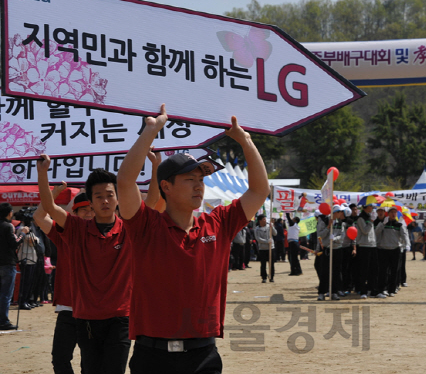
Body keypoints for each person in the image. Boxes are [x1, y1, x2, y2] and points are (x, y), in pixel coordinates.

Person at [116, 105, 269, 374]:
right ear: (166, 186)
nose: (200, 186)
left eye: (201, 179)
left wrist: (245, 140)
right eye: (190, 179)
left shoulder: (218, 223)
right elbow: (126, 183)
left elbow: (259, 189)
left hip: (203, 356)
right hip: (152, 356)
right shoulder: (146, 226)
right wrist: (151, 131)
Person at [38, 156, 135, 374]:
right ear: (90, 201)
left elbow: (154, 201)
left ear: (118, 198)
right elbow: (48, 208)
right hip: (86, 318)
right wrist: (42, 173)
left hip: (120, 317)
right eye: (98, 197)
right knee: (90, 369)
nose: (105, 201)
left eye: (110, 195)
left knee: (114, 370)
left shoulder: (130, 228)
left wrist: (155, 165)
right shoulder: (77, 229)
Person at [34, 185, 95, 374]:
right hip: (68, 309)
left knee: (90, 363)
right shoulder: (64, 235)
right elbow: (39, 217)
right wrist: (54, 194)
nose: (88, 213)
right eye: (84, 209)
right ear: (73, 213)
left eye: (92, 209)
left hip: (95, 312)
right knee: (60, 359)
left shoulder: (107, 236)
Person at [375, 206, 408, 298]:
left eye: (395, 212)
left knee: (394, 271)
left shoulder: (399, 224)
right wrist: (382, 224)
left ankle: (391, 290)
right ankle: (382, 289)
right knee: (383, 271)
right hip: (384, 250)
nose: (393, 214)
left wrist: (407, 244)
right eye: (391, 212)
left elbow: (404, 235)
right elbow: (376, 232)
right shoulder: (383, 223)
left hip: (395, 250)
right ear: (388, 214)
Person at [0, 202, 20, 331]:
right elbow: (14, 244)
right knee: (6, 294)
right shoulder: (8, 226)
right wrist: (22, 235)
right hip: (7, 263)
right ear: (9, 213)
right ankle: (3, 320)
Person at [354, 204, 378, 299]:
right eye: (370, 206)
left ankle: (373, 291)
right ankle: (363, 291)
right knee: (364, 270)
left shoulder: (369, 216)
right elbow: (365, 230)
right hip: (364, 245)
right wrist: (371, 221)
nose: (372, 208)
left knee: (374, 269)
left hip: (372, 245)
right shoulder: (361, 218)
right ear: (366, 207)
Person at [255, 215, 277, 283]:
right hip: (262, 248)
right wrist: (266, 241)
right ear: (260, 221)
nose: (265, 220)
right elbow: (258, 239)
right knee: (263, 264)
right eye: (263, 219)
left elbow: (275, 234)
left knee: (271, 263)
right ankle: (264, 277)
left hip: (271, 248)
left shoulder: (269, 226)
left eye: (265, 219)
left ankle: (271, 277)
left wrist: (272, 227)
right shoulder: (257, 229)